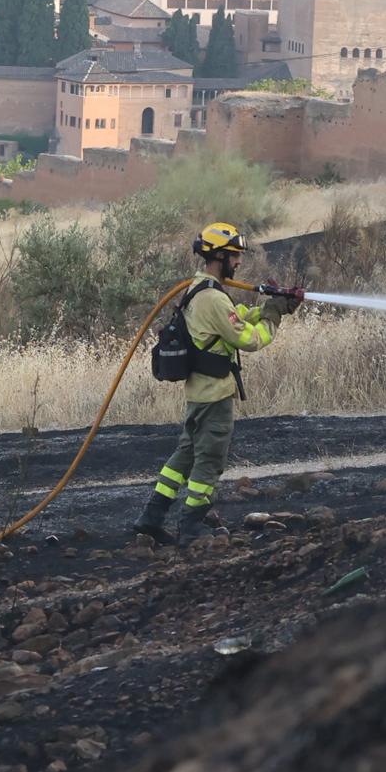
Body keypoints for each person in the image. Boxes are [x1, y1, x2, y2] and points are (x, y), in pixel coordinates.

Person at [133, 223, 300, 546]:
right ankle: (192, 526)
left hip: (198, 393)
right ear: (219, 256)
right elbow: (248, 339)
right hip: (215, 395)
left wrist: (269, 307)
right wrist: (273, 318)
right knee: (209, 460)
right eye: (234, 256)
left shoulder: (200, 290)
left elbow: (234, 316)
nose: (238, 263)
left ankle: (151, 518)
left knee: (184, 457)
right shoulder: (212, 297)